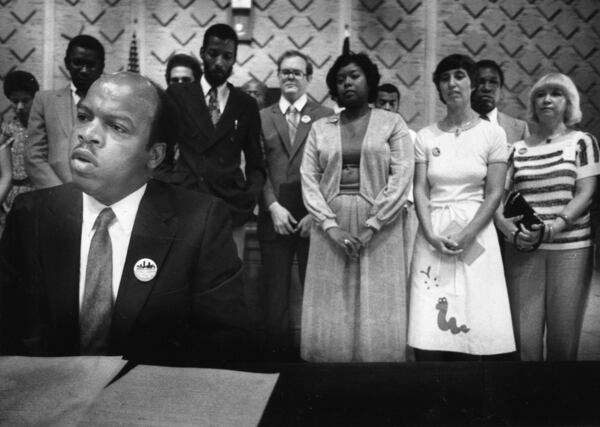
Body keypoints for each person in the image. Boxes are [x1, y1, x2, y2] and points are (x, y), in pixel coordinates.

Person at [0, 72, 251, 365]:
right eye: (83, 116)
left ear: (154, 156)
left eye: (116, 127)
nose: (87, 133)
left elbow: (224, 345)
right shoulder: (31, 215)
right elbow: (9, 330)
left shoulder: (200, 221)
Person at [300, 52, 414, 362]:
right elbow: (308, 179)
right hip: (330, 224)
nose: (347, 82)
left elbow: (402, 177)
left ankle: (380, 375)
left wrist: (372, 225)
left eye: (354, 75)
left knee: (379, 302)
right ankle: (328, 371)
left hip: (381, 224)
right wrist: (329, 225)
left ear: (370, 81)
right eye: (340, 79)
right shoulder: (321, 127)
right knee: (331, 303)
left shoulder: (393, 123)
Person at [408, 54, 515, 361]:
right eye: (445, 78)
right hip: (433, 232)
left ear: (471, 83)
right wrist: (429, 234)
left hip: (477, 231)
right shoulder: (426, 136)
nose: (452, 83)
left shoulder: (493, 133)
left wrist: (468, 234)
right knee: (431, 316)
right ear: (438, 88)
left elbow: (494, 192)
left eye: (459, 76)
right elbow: (420, 188)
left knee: (476, 314)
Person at [495, 73, 600, 361]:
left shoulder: (582, 142)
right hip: (524, 250)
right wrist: (509, 231)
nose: (547, 99)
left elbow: (586, 192)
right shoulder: (517, 149)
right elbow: (496, 198)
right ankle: (527, 404)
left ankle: (559, 404)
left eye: (556, 93)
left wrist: (553, 229)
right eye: (541, 94)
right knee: (524, 340)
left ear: (569, 102)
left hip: (570, 251)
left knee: (562, 342)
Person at [167, 23, 265, 258]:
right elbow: (159, 151)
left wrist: (247, 199)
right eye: (213, 54)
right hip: (185, 206)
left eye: (227, 56)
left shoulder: (246, 105)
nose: (219, 62)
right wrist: (170, 188)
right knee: (182, 283)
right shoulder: (178, 95)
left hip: (230, 210)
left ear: (234, 59)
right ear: (202, 54)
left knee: (226, 285)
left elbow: (256, 165)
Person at [258, 50, 333, 360]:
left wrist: (318, 215)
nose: (290, 77)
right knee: (274, 296)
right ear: (278, 76)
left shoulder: (326, 116)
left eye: (297, 72)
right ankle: (276, 363)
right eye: (285, 72)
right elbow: (256, 167)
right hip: (274, 215)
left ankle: (316, 361)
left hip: (311, 218)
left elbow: (333, 170)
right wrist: (272, 205)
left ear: (309, 78)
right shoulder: (262, 116)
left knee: (316, 294)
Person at [25, 35, 105, 189]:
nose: (83, 70)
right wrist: (60, 193)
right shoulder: (45, 101)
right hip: (55, 195)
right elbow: (33, 156)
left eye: (91, 65)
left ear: (101, 66)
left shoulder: (112, 104)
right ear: (67, 63)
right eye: (77, 63)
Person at [374, 83, 419, 272]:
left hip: (404, 211)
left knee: (404, 264)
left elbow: (412, 175)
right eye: (382, 102)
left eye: (392, 103)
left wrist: (404, 203)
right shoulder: (367, 137)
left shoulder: (411, 136)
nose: (387, 108)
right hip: (373, 210)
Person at [0, 71, 39, 226]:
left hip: (39, 197)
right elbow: (6, 177)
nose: (20, 106)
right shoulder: (7, 130)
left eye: (25, 100)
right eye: (15, 101)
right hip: (11, 202)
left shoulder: (43, 128)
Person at [471, 59, 529, 143]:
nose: (487, 88)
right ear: (471, 87)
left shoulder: (520, 128)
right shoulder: (455, 126)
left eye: (493, 82)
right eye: (480, 82)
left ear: (500, 88)